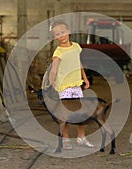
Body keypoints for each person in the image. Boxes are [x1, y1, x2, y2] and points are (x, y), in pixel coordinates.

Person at [49, 20, 94, 150]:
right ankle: (66, 138)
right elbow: (53, 70)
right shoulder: (58, 52)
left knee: (81, 112)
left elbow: (78, 63)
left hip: (76, 84)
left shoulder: (76, 47)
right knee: (65, 114)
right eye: (57, 34)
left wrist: (85, 78)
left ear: (68, 32)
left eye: (62, 32)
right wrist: (52, 84)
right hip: (64, 87)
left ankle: (81, 137)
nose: (61, 35)